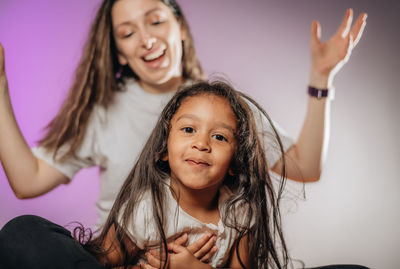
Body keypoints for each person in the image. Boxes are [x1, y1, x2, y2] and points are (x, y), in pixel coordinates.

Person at [0, 0, 367, 231]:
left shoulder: (226, 107)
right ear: (121, 54)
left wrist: (322, 79)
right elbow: (27, 180)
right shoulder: (104, 112)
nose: (145, 38)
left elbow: (305, 167)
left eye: (156, 21)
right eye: (127, 33)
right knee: (24, 236)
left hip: (205, 260)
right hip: (122, 259)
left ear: (181, 30)